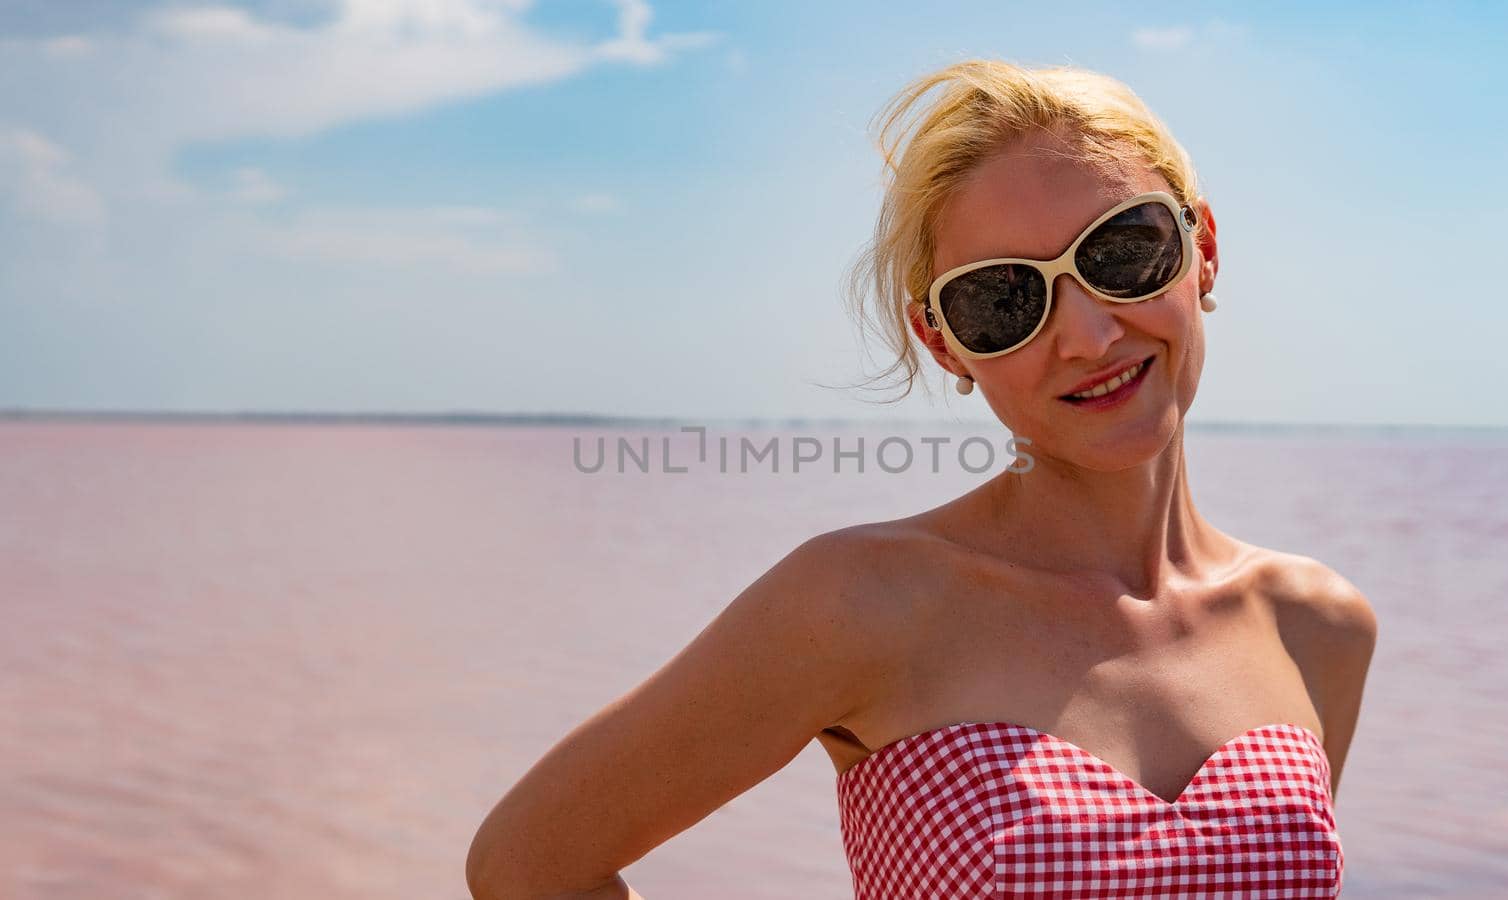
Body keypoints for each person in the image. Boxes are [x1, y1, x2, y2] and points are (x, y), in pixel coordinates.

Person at [466, 58, 1377, 900]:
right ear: (944, 342)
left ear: (1202, 245)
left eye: (1120, 252)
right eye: (1003, 299)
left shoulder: (1317, 626)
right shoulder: (864, 601)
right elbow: (529, 864)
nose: (1089, 334)